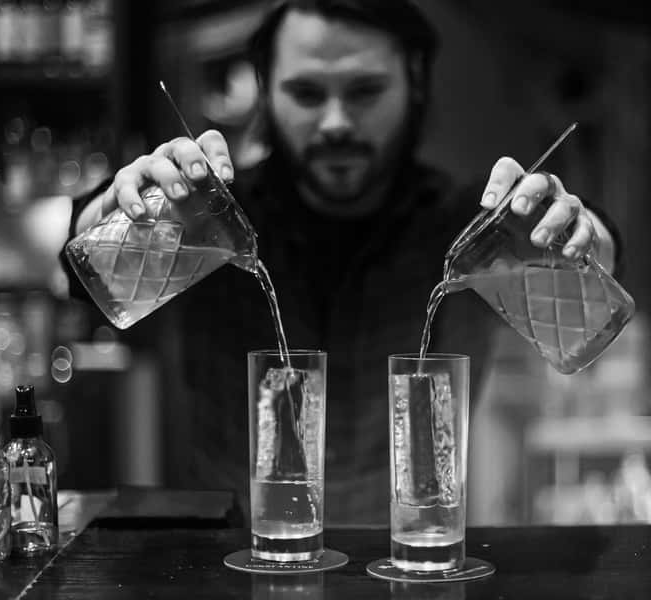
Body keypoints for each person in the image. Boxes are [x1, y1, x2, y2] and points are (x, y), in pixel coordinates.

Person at [61, 0, 620, 525]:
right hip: (232, 562)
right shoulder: (203, 222)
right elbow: (82, 273)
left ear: (415, 82)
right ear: (267, 91)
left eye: (364, 91)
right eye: (306, 93)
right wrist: (110, 214)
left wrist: (581, 237)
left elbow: (602, 253)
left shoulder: (467, 231)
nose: (335, 122)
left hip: (413, 561)